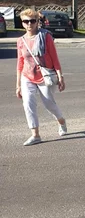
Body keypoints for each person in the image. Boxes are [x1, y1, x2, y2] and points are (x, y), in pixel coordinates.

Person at [16, 8, 67, 146]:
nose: (29, 24)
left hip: (45, 76)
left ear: (37, 22)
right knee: (28, 104)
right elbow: (20, 63)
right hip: (27, 76)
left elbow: (54, 58)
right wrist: (18, 85)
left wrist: (60, 77)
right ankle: (35, 134)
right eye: (26, 21)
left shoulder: (46, 37)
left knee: (49, 103)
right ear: (22, 23)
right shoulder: (21, 41)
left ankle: (61, 120)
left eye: (32, 21)